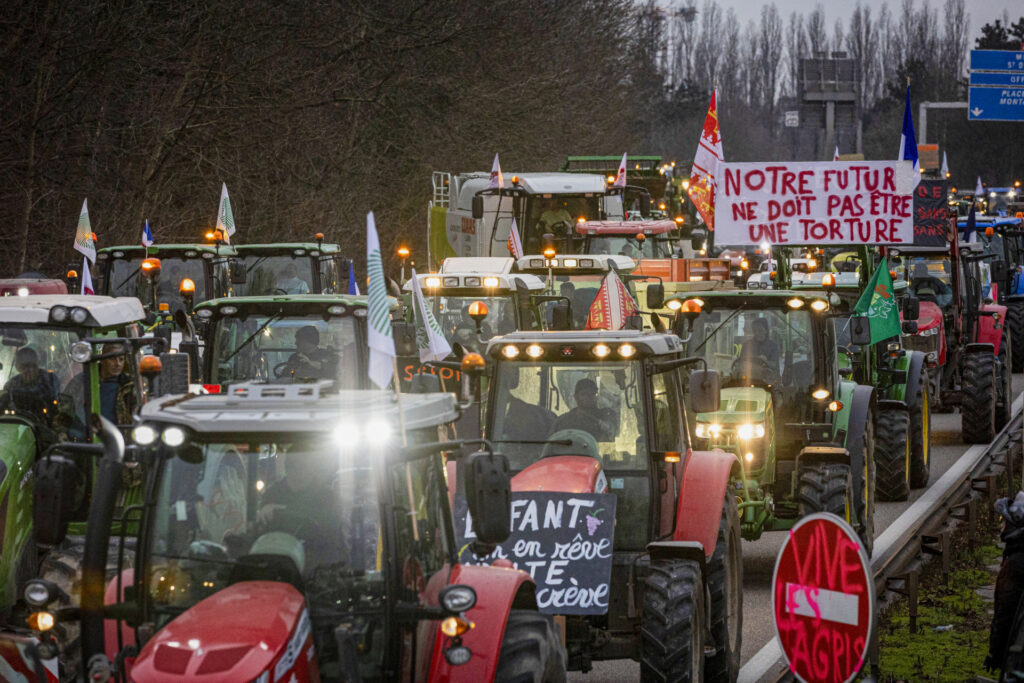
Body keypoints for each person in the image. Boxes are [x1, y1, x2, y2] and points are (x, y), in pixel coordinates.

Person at [1, 347, 61, 425]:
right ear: (17, 367)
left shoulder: (50, 380)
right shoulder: (11, 386)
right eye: (25, 367)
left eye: (34, 366)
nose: (30, 370)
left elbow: (60, 405)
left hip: (47, 425)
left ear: (38, 363)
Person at [552, 378, 617, 442]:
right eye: (584, 394)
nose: (589, 397)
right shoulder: (564, 420)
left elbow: (611, 429)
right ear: (576, 397)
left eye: (593, 393)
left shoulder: (606, 415)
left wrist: (607, 427)